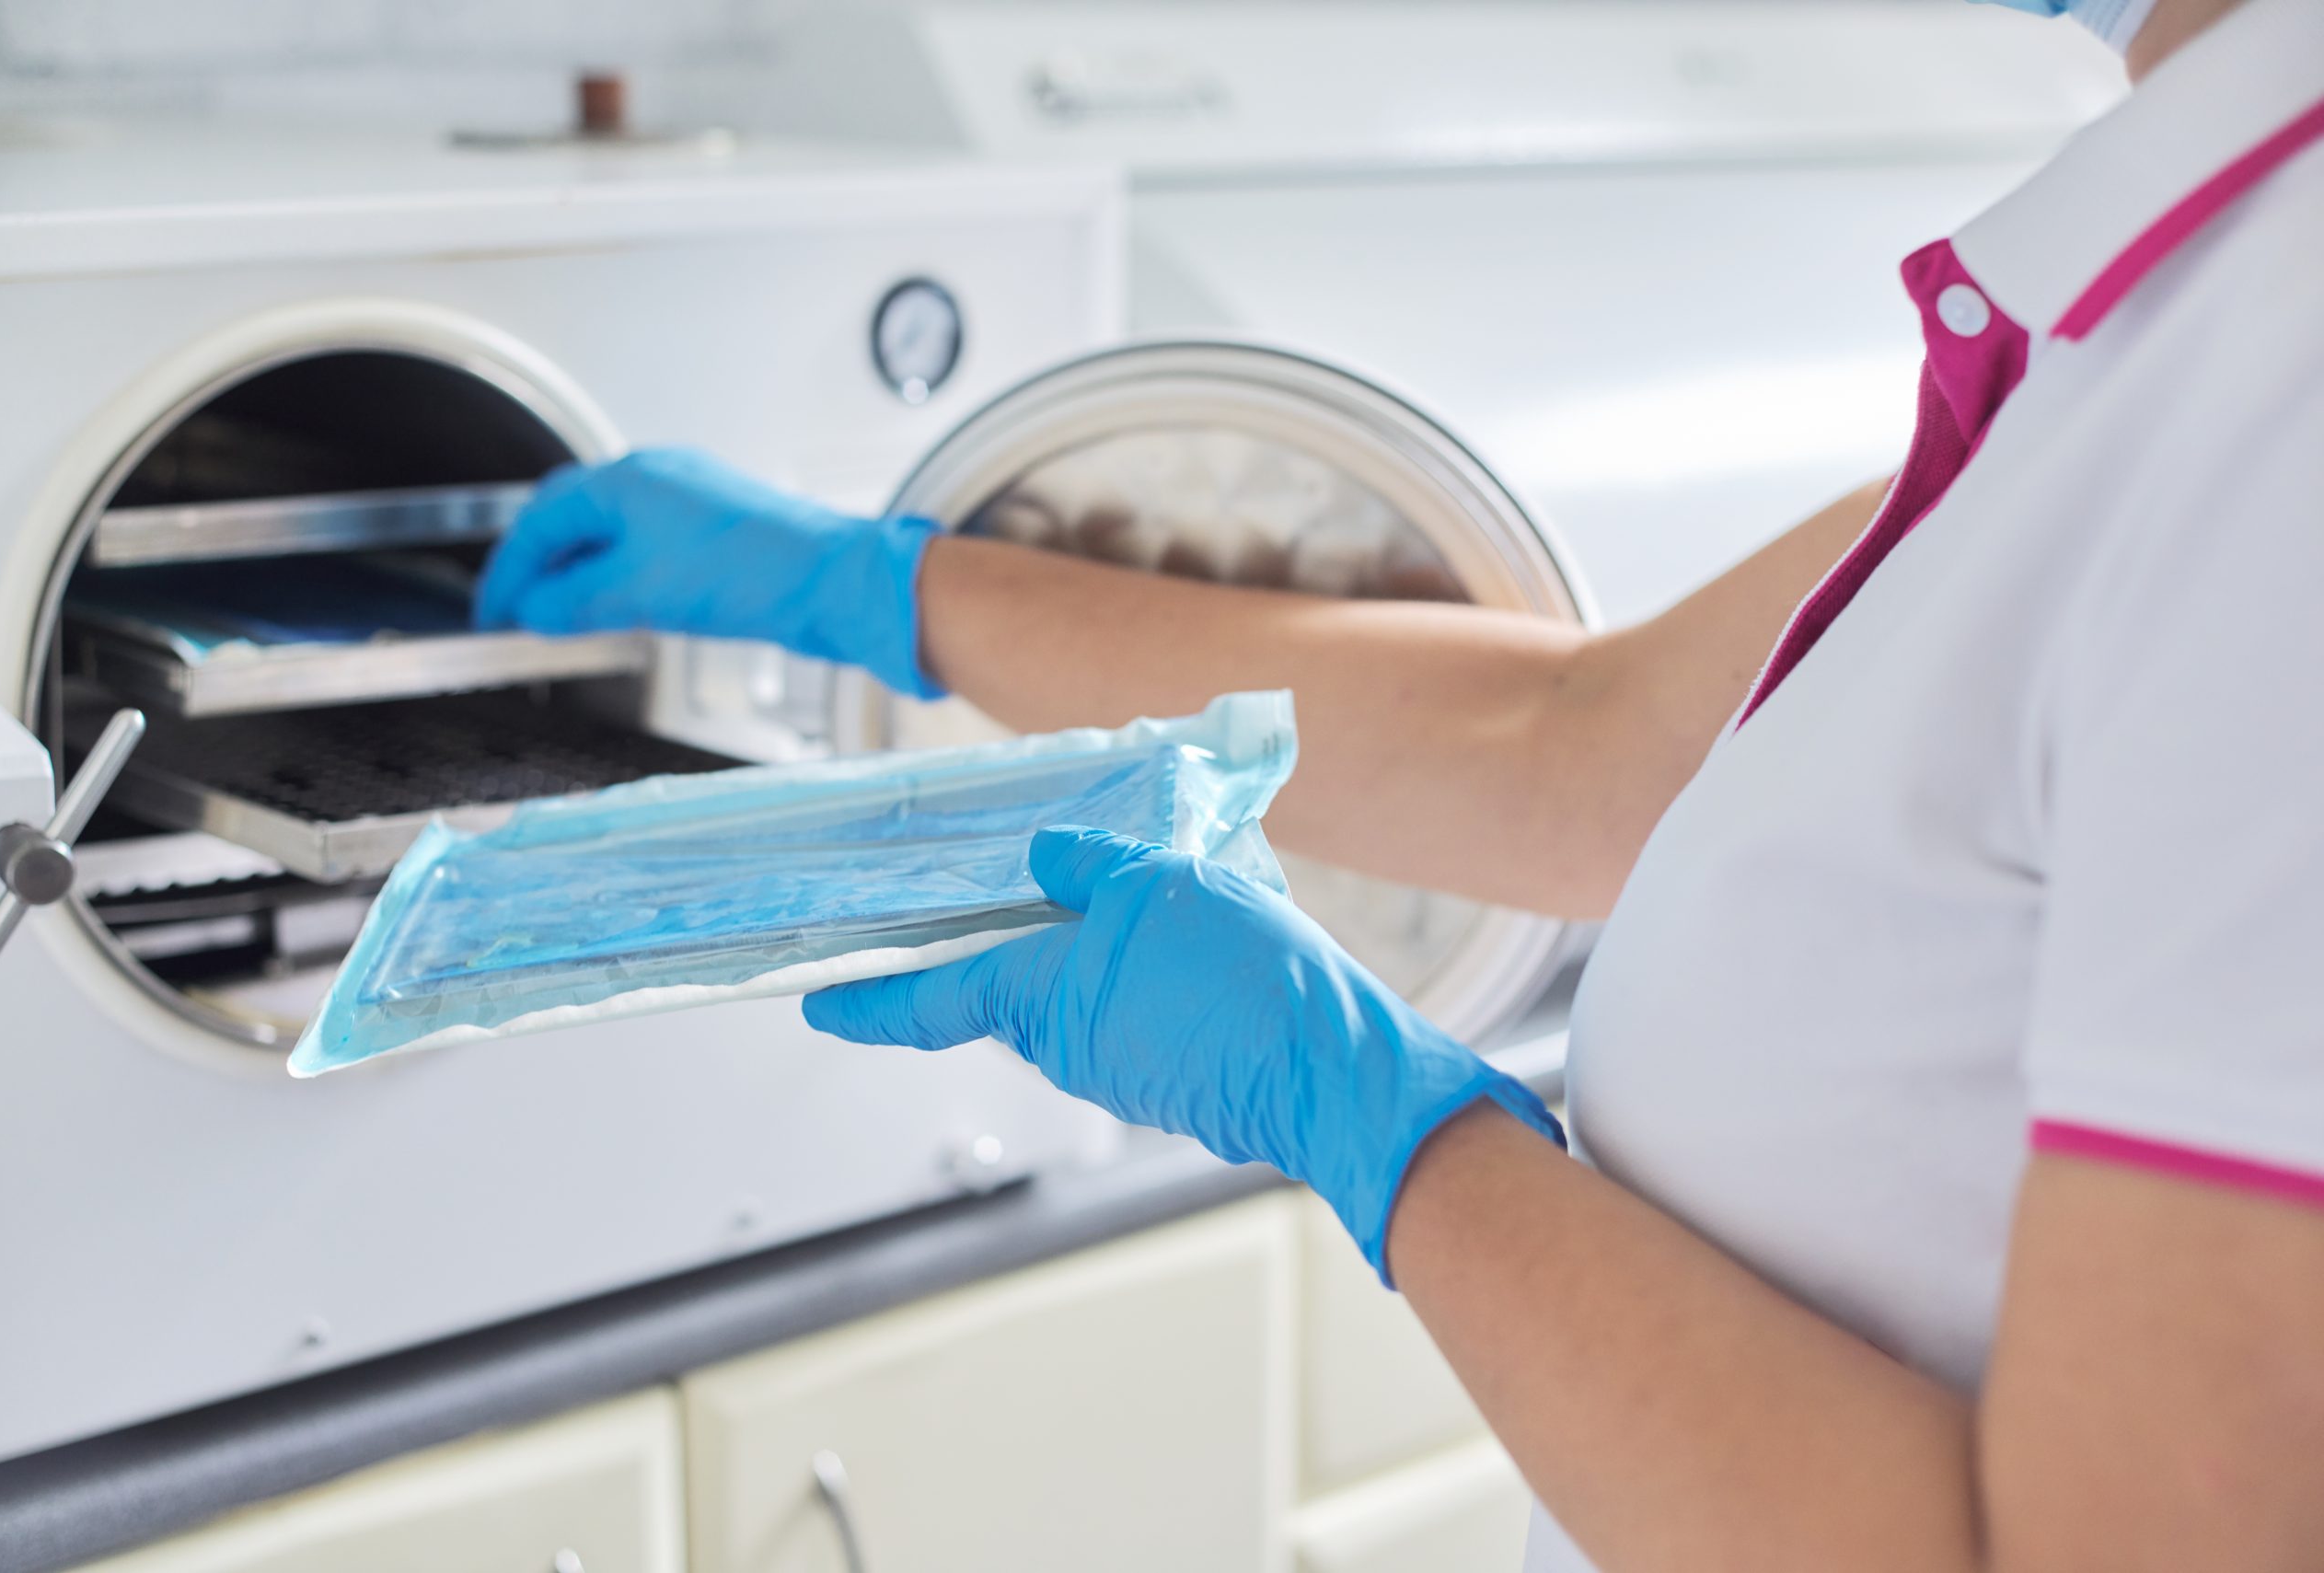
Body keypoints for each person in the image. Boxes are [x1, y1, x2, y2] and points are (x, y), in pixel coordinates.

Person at [477, 0, 2324, 1563]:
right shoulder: (2183, 316)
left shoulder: (2278, 385)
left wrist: (1382, 1127)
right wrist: (877, 594)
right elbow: (1573, 750)